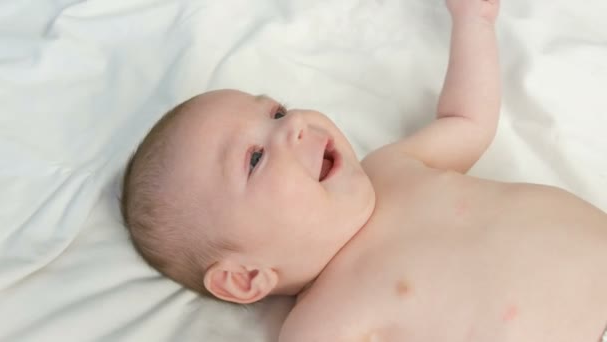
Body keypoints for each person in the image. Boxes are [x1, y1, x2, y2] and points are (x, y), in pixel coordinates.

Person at [120, 0, 607, 340]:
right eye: (254, 158)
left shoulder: (391, 169)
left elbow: (467, 121)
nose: (293, 128)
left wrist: (473, 21)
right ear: (245, 278)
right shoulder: (322, 323)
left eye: (277, 113)